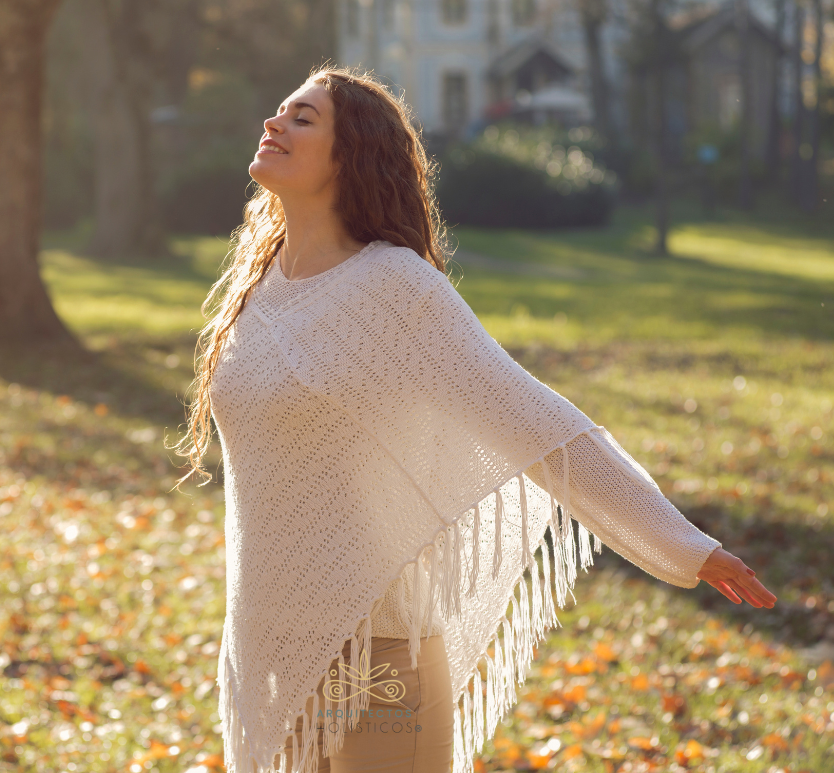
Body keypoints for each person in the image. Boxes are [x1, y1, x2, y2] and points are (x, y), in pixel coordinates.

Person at [174, 66, 777, 773]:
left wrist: (680, 543)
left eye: (302, 117)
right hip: (268, 645)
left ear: (352, 154)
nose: (274, 123)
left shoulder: (395, 287)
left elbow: (534, 421)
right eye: (279, 111)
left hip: (378, 654)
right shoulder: (257, 286)